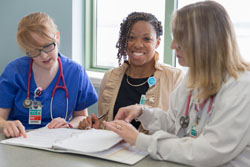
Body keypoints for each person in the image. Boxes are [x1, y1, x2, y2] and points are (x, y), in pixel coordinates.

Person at [103, 1, 250, 166]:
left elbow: (209, 152)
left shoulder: (242, 87)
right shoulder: (193, 77)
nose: (173, 46)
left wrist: (140, 140)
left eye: (179, 40)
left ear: (204, 41)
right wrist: (142, 112)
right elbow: (175, 123)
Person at [78, 12, 184, 130]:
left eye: (146, 39)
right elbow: (105, 124)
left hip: (153, 148)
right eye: (131, 38)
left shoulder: (174, 77)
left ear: (157, 42)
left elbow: (178, 128)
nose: (138, 45)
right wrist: (95, 127)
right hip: (116, 148)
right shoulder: (110, 77)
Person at [0, 12, 98, 138]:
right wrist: (6, 125)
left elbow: (81, 116)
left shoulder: (75, 73)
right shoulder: (14, 72)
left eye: (47, 46)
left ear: (57, 37)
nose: (44, 56)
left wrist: (68, 125)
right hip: (20, 139)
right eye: (35, 51)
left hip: (57, 140)